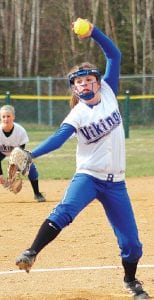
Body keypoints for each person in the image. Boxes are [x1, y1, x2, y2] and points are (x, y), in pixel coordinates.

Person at [15, 19, 149, 299]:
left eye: (89, 79)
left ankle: (131, 281)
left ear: (98, 81)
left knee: (133, 245)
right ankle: (31, 251)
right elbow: (58, 138)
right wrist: (31, 154)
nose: (85, 84)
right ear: (74, 88)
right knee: (64, 213)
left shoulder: (110, 91)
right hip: (88, 176)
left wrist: (93, 33)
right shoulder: (77, 115)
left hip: (116, 184)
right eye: (79, 81)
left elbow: (115, 55)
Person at [0, 105, 46, 202]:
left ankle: (37, 194)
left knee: (31, 168)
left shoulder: (20, 131)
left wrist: (15, 173)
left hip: (18, 153)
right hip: (1, 152)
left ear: (13, 117)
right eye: (3, 116)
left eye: (8, 116)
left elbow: (20, 154)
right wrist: (0, 175)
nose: (6, 119)